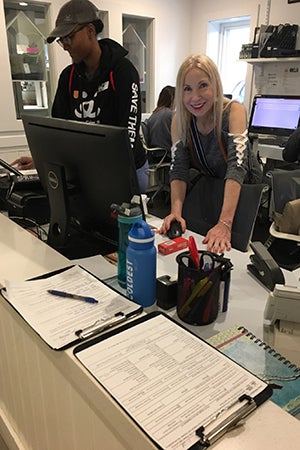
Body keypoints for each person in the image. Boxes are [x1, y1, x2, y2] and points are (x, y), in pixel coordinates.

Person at [12, 0, 148, 193]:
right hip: (88, 172)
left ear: (90, 31)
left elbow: (129, 136)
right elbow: (60, 133)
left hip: (126, 169)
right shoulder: (68, 77)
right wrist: (41, 160)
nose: (65, 46)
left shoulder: (123, 72)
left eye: (69, 38)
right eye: (62, 41)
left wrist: (106, 175)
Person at [160, 54, 262, 253]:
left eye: (203, 86)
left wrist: (224, 223)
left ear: (215, 85)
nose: (195, 97)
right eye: (187, 89)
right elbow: (179, 168)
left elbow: (237, 166)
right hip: (212, 187)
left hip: (242, 192)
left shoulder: (233, 111)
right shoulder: (179, 120)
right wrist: (175, 212)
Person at [142, 85, 175, 157]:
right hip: (167, 154)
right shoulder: (170, 114)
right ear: (172, 99)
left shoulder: (154, 115)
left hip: (156, 155)